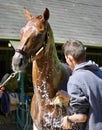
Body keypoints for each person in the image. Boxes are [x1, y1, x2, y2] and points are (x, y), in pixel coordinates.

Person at [57, 40, 102, 130]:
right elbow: (94, 99)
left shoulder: (75, 79)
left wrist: (67, 119)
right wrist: (70, 97)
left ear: (70, 59)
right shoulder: (98, 72)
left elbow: (81, 117)